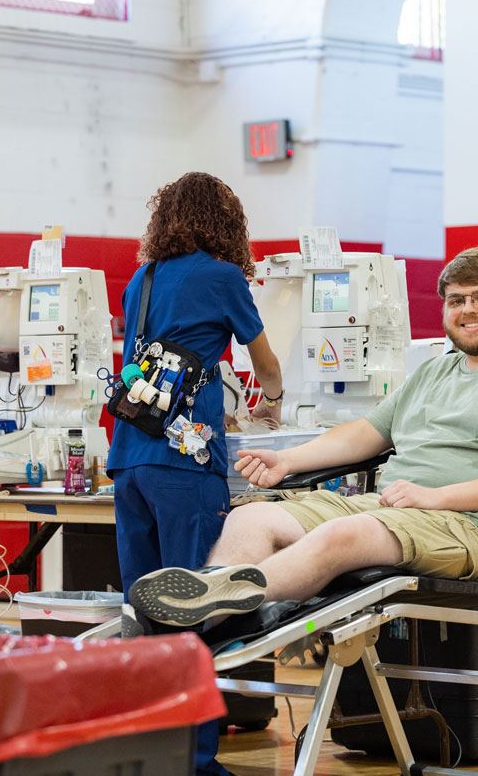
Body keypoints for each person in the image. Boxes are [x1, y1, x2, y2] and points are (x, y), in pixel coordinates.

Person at [127, 246, 478, 630]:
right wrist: (290, 461)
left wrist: (436, 496)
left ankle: (201, 616)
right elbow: (367, 432)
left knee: (343, 535)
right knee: (251, 520)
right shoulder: (434, 372)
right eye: (457, 300)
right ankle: (212, 610)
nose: (468, 310)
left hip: (473, 529)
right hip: (395, 508)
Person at [106, 171, 282, 776]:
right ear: (227, 222)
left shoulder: (143, 278)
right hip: (185, 463)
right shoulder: (223, 275)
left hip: (128, 458)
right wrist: (272, 400)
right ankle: (195, 762)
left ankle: (148, 755)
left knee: (145, 620)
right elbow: (265, 361)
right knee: (193, 615)